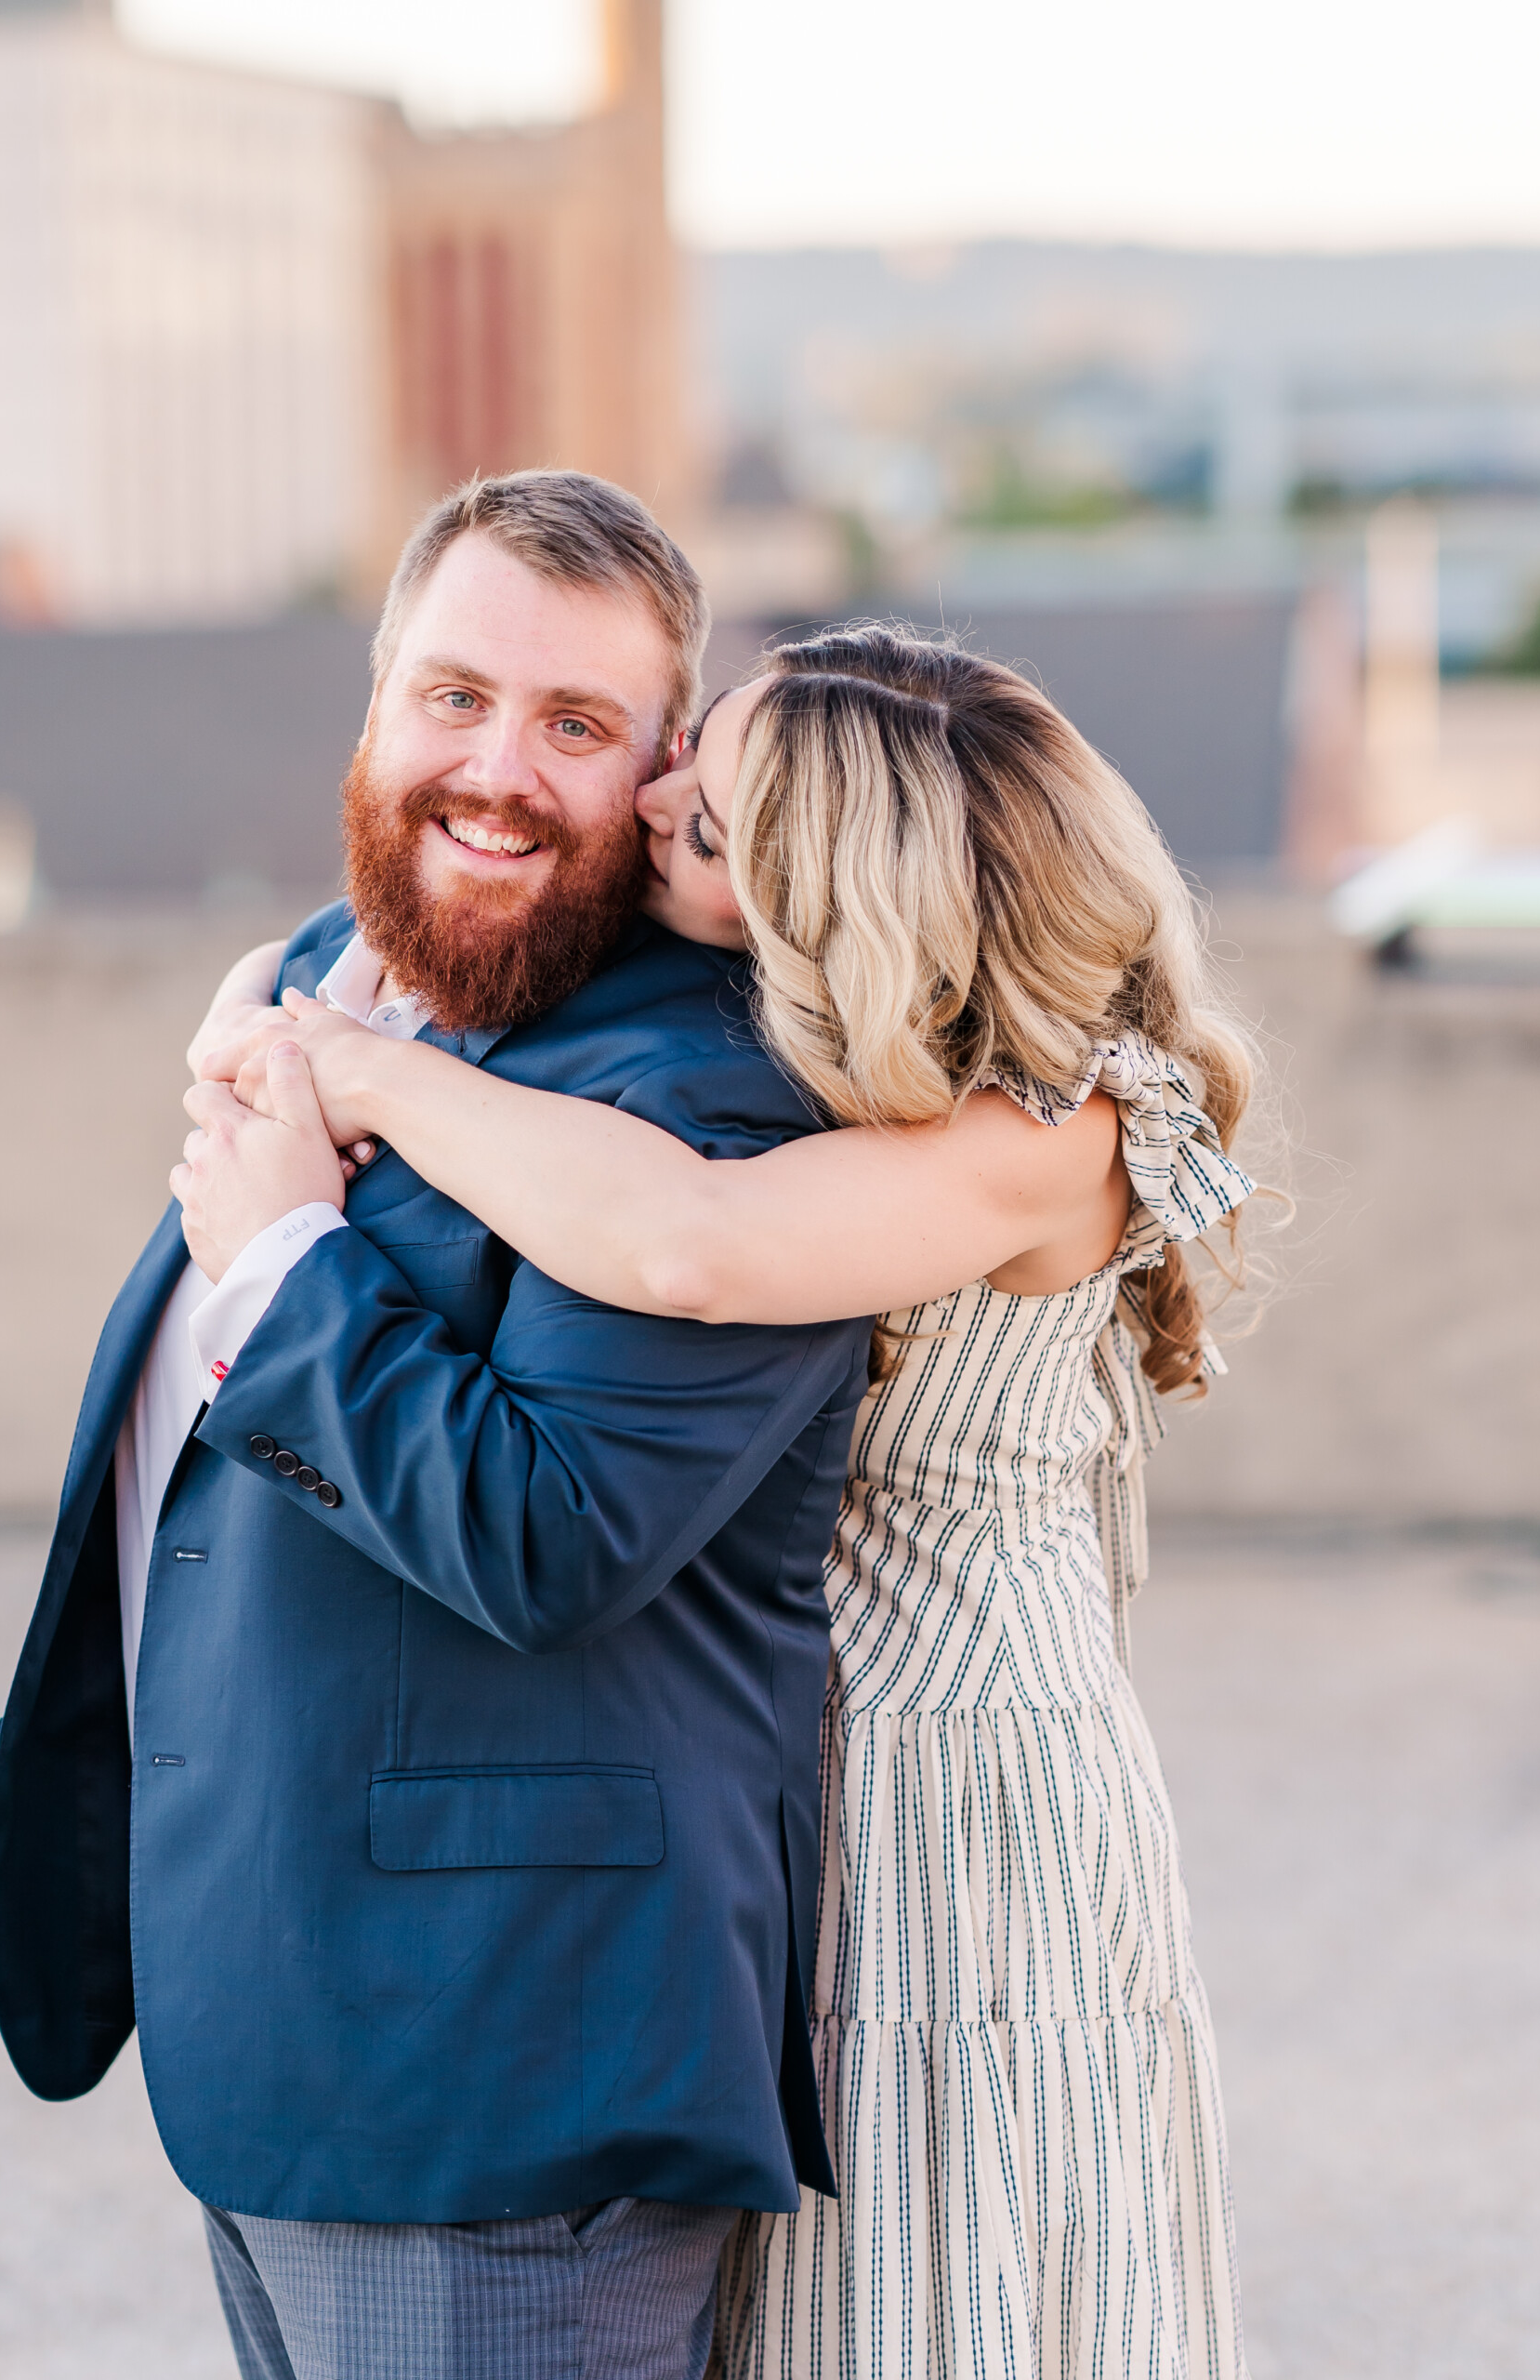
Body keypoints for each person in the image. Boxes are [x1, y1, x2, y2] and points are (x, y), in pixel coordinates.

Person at [198, 624, 1259, 2380]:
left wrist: (363, 1076)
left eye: (704, 827)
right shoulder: (851, 1062)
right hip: (764, 1758)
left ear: (839, 905)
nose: (658, 800)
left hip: (943, 1799)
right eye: (699, 753)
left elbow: (684, 1239)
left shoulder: (1046, 1126)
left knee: (923, 2304)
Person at [0, 471, 879, 2380]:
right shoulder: (323, 973)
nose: (497, 770)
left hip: (501, 2083)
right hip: (288, 2026)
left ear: (658, 776)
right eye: (455, 695)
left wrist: (289, 1256)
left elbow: (544, 1536)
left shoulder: (718, 1089)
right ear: (377, 701)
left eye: (574, 722)